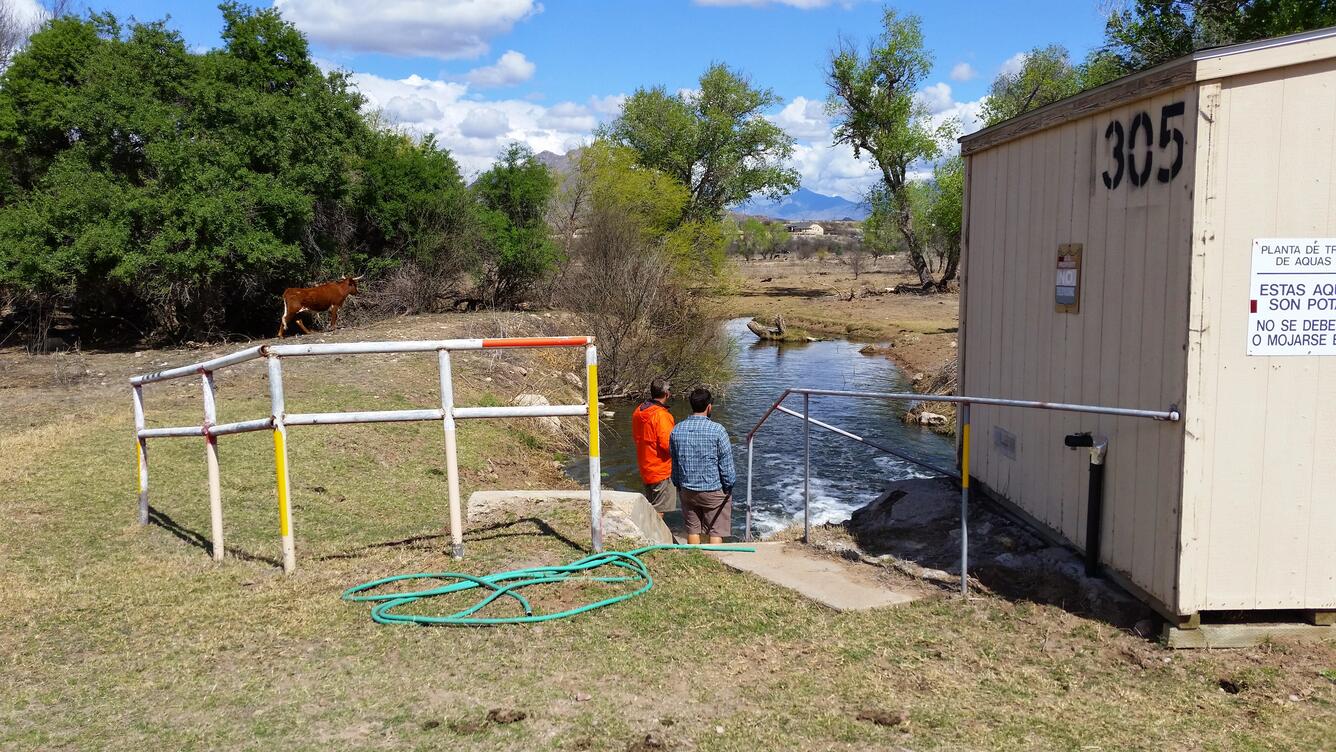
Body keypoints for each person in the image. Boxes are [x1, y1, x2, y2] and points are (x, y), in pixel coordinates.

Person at [669, 387, 736, 544]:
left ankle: (695, 559)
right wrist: (728, 486)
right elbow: (727, 468)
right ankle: (716, 561)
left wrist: (679, 485)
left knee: (692, 529)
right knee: (716, 531)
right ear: (709, 406)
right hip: (713, 490)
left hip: (687, 489)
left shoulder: (677, 430)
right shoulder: (718, 430)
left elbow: (675, 464)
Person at [631, 377, 676, 517]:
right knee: (659, 512)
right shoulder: (662, 416)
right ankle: (656, 538)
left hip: (646, 466)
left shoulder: (638, 411)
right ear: (667, 393)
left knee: (652, 507)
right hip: (661, 470)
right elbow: (668, 445)